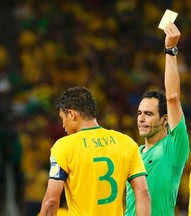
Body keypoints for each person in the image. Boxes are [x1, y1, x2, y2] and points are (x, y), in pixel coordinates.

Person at [39, 86, 151, 216]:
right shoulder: (126, 143)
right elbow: (143, 193)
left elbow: (51, 201)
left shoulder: (64, 146)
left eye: (62, 118)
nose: (63, 125)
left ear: (71, 114)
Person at [125, 23, 190, 215]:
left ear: (164, 120)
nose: (141, 119)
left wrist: (170, 50)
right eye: (139, 113)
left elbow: (172, 98)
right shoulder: (133, 152)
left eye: (148, 113)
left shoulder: (174, 147)